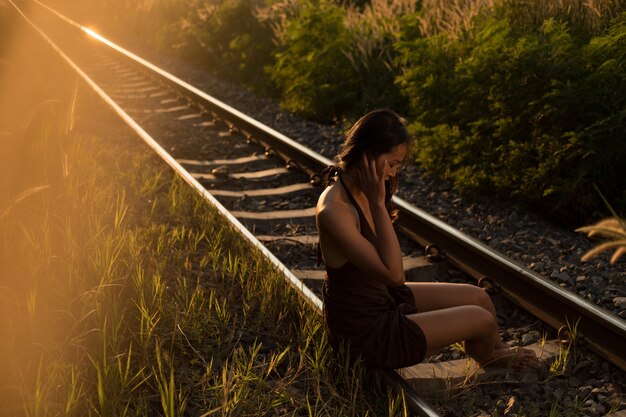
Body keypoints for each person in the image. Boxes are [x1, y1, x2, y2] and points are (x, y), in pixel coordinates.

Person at [315, 109, 543, 370]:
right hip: (365, 331)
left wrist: (377, 200)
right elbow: (394, 275)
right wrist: (379, 205)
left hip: (382, 298)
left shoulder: (366, 188)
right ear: (367, 155)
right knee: (481, 319)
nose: (393, 173)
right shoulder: (334, 210)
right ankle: (490, 356)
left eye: (399, 165)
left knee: (480, 298)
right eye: (391, 163)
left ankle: (497, 351)